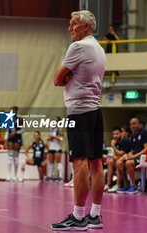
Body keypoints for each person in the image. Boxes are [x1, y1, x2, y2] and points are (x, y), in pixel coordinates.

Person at [51, 10, 106, 231]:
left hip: (79, 111)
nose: (70, 28)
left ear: (86, 27)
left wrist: (67, 76)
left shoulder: (78, 47)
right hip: (96, 111)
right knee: (96, 163)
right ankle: (95, 215)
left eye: (74, 24)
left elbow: (57, 79)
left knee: (80, 163)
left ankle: (78, 216)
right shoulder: (99, 49)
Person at [120, 117, 147, 194]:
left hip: (144, 157)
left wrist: (134, 156)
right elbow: (133, 150)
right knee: (119, 162)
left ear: (139, 124)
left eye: (134, 124)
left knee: (129, 163)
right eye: (131, 124)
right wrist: (128, 154)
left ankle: (133, 185)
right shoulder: (133, 135)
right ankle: (126, 184)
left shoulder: (145, 133)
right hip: (136, 157)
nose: (132, 126)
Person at [105, 127, 131, 193]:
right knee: (110, 162)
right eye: (113, 134)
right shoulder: (116, 142)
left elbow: (121, 153)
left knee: (117, 162)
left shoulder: (125, 140)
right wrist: (116, 155)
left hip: (128, 159)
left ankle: (118, 184)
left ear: (121, 134)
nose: (115, 136)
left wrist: (113, 146)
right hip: (120, 159)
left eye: (117, 134)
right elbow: (114, 155)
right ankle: (109, 184)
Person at [6, 106, 24, 181]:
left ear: (16, 112)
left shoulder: (20, 119)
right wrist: (5, 140)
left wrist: (16, 132)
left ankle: (15, 175)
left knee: (16, 158)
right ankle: (9, 175)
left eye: (14, 111)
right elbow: (7, 130)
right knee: (10, 157)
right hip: (10, 139)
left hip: (17, 138)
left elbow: (23, 130)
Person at [46, 117, 64, 182]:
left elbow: (62, 139)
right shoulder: (51, 129)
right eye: (53, 120)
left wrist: (54, 137)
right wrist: (49, 138)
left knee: (58, 163)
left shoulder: (60, 129)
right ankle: (50, 177)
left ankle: (61, 177)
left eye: (55, 121)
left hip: (57, 148)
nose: (53, 122)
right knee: (51, 164)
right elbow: (48, 138)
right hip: (51, 148)